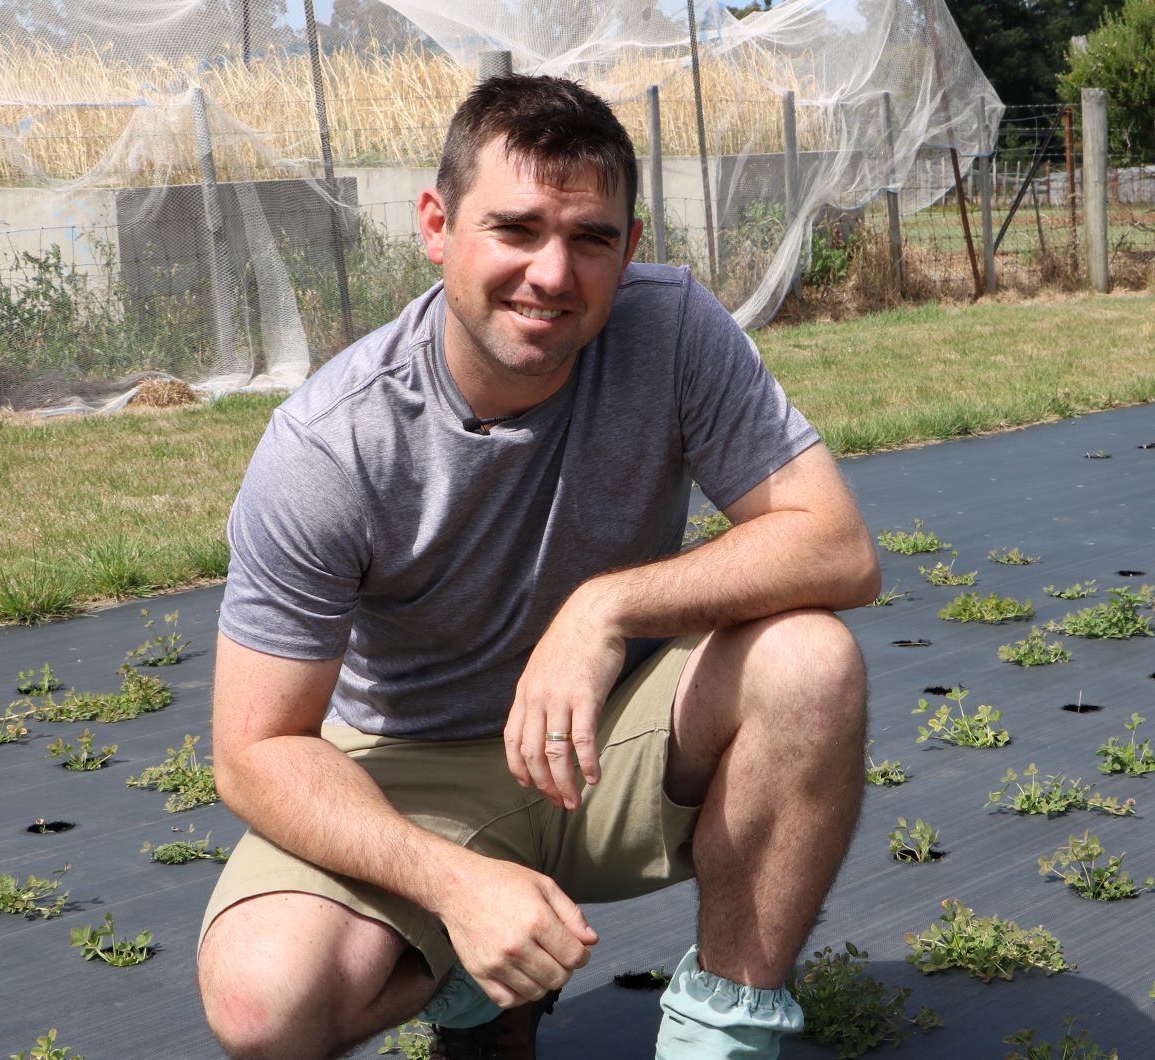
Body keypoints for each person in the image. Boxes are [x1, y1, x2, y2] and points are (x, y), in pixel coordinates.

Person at [195, 73, 880, 1060]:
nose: (553, 274)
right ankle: (476, 990)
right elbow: (254, 750)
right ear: (437, 224)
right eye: (515, 229)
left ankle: (720, 1037)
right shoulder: (330, 446)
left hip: (607, 744)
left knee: (810, 662)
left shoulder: (673, 328)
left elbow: (836, 544)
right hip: (407, 769)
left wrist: (604, 608)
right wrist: (450, 880)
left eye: (591, 237)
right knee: (265, 1001)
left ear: (629, 246)